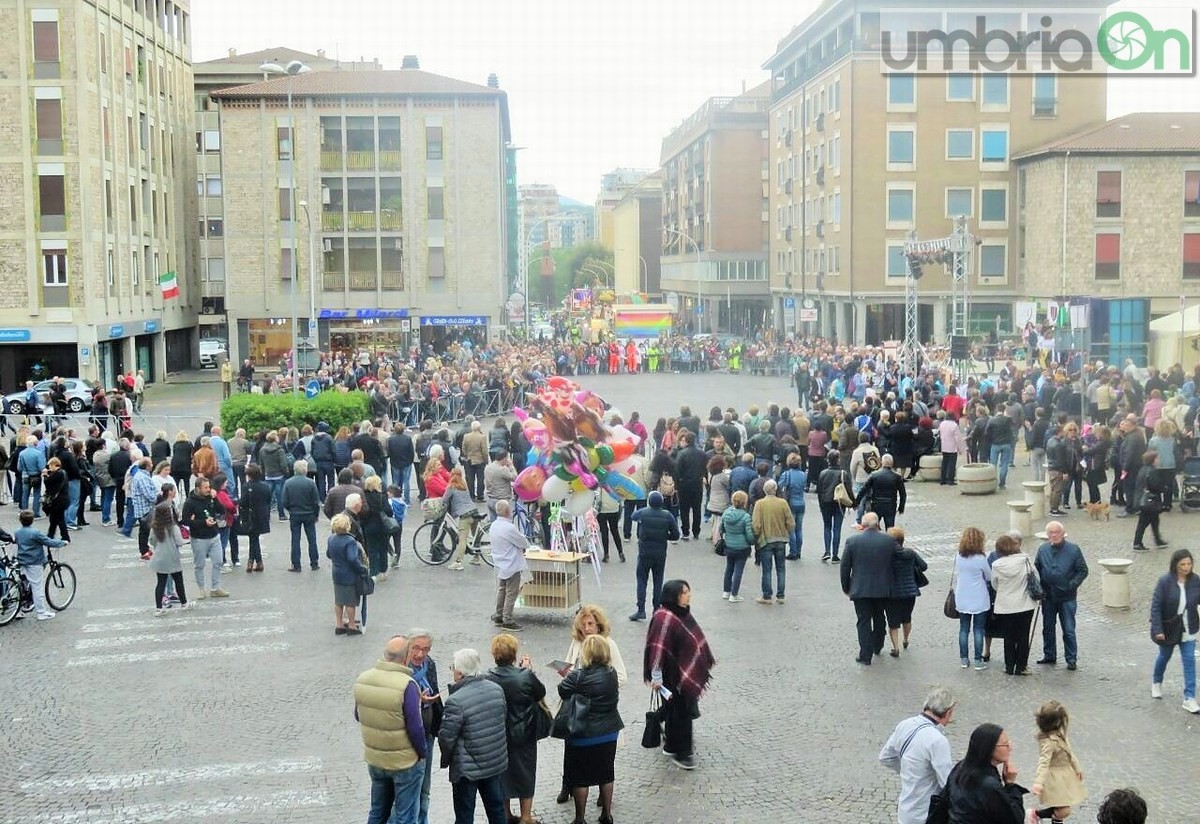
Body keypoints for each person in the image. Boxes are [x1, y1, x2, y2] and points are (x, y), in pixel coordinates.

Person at [353, 635, 428, 824]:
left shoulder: (364, 678)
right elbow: (415, 727)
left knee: (377, 812)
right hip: (403, 763)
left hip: (376, 760)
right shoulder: (407, 684)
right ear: (405, 658)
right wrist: (422, 753)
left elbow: (358, 715)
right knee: (405, 816)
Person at [643, 580, 714, 771]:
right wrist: (656, 678)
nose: (688, 595)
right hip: (671, 676)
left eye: (688, 591)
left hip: (683, 676)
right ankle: (683, 753)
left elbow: (695, 641)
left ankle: (672, 744)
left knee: (676, 711)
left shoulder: (683, 613)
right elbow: (657, 650)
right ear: (674, 595)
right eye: (684, 592)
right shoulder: (663, 617)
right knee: (681, 713)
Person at [438, 648, 509, 824]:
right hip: (494, 763)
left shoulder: (456, 700)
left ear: (460, 671)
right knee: (496, 810)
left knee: (464, 814)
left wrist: (446, 760)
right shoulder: (496, 690)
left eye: (452, 667)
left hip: (467, 770)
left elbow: (447, 738)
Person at [558, 634, 623, 824]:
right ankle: (606, 814)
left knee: (580, 777)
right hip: (609, 731)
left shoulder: (579, 676)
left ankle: (580, 818)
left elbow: (562, 690)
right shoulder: (611, 673)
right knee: (606, 772)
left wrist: (570, 675)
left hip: (583, 734)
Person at [486, 633, 547, 824]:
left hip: (499, 735)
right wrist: (528, 670)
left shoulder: (488, 677)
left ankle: (506, 813)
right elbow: (540, 692)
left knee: (503, 774)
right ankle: (526, 816)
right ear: (514, 654)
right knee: (526, 773)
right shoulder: (525, 676)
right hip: (523, 733)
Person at [878, 687, 956, 824]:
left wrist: (909, 769)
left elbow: (885, 757)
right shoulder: (937, 740)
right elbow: (947, 782)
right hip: (926, 813)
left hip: (905, 811)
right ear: (948, 713)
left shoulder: (905, 724)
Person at [840, 512, 896, 664]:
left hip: (860, 588)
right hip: (883, 587)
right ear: (878, 524)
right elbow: (896, 563)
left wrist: (846, 587)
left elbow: (845, 567)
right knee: (879, 617)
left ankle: (866, 655)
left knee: (863, 621)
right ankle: (877, 646)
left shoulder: (852, 541)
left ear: (862, 526)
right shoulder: (889, 541)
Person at [942, 723, 1027, 823]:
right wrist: (1010, 784)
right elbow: (1015, 819)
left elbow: (944, 801)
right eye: (1005, 744)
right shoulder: (988, 785)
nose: (1010, 748)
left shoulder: (960, 768)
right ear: (989, 748)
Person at [1149, 548, 1200, 712]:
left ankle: (1190, 697)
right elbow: (1156, 607)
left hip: (1188, 627)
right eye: (1183, 564)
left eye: (1189, 563)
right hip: (1169, 627)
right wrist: (1158, 629)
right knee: (1164, 656)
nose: (1186, 567)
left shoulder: (1195, 580)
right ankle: (1157, 681)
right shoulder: (1165, 581)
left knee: (1189, 661)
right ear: (1175, 565)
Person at [1035, 521, 1089, 671]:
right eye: (1051, 532)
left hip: (1067, 597)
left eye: (1057, 532)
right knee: (1048, 628)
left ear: (1063, 533)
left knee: (1069, 629)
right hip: (1048, 597)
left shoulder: (1074, 549)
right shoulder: (1042, 549)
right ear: (1047, 535)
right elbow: (1037, 569)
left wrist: (1071, 585)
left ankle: (1071, 659)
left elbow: (1083, 570)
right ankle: (1049, 655)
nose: (1054, 535)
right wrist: (1039, 589)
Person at [406, 629, 443, 824]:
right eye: (416, 648)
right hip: (406, 739)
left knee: (424, 787)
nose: (420, 654)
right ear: (408, 647)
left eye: (426, 649)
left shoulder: (430, 664)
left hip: (427, 733)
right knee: (406, 789)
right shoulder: (401, 668)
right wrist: (417, 702)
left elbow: (435, 691)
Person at [1030, 701, 1086, 824]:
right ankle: (1035, 814)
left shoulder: (1060, 735)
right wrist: (1039, 782)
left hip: (1065, 776)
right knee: (1064, 810)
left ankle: (1054, 820)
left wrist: (1077, 768)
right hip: (1055, 779)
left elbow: (1070, 752)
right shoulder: (1049, 742)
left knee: (1061, 807)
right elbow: (1043, 762)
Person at [990, 533, 1038, 677]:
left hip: (1005, 605)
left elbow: (994, 584)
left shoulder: (996, 565)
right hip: (1025, 604)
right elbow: (1035, 577)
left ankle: (1009, 665)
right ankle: (1022, 666)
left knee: (1008, 637)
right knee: (1023, 636)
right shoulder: (1025, 560)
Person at [628, 490, 680, 621]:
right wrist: (665, 536)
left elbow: (633, 516)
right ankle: (656, 609)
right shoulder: (667, 515)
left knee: (641, 580)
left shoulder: (643, 513)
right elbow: (676, 535)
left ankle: (641, 609)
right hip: (660, 553)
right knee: (658, 581)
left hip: (644, 552)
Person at [13, 508, 66, 620]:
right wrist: (62, 542)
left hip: (22, 561)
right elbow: (48, 541)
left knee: (22, 586)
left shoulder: (17, 532)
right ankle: (41, 612)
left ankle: (18, 610)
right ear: (32, 520)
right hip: (34, 562)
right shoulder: (35, 533)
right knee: (36, 586)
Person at [181, 476, 227, 599]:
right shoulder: (190, 502)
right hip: (199, 537)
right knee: (199, 565)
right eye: (205, 488)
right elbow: (185, 521)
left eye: (209, 487)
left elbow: (222, 510)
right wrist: (202, 522)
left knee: (218, 561)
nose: (208, 490)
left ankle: (215, 588)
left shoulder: (210, 498)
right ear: (198, 488)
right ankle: (201, 589)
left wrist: (215, 498)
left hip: (214, 534)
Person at [885, 526, 927, 657]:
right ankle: (906, 639)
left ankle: (896, 647)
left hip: (892, 592)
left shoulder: (887, 556)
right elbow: (924, 566)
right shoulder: (910, 553)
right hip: (910, 592)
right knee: (907, 617)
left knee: (893, 621)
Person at [955, 526, 993, 670]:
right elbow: (989, 577)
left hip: (962, 595)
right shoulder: (981, 558)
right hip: (978, 596)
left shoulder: (958, 556)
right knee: (979, 629)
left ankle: (964, 659)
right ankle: (978, 660)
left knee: (964, 629)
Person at [751, 478, 793, 605]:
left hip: (766, 540)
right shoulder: (783, 503)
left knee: (767, 569)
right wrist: (786, 532)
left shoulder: (759, 504)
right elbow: (791, 522)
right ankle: (781, 595)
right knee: (781, 568)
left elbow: (756, 525)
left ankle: (767, 596)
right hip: (781, 539)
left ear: (764, 490)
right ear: (775, 489)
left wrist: (756, 536)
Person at [489, 499, 530, 631]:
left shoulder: (494, 525)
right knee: (512, 592)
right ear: (507, 512)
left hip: (500, 562)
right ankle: (508, 619)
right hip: (511, 563)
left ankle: (499, 613)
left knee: (502, 589)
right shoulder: (509, 528)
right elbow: (523, 542)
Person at [327, 512, 368, 635]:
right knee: (351, 601)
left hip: (336, 573)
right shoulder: (350, 541)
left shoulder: (331, 538)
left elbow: (328, 554)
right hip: (349, 574)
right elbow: (352, 559)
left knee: (339, 600)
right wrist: (362, 568)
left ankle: (339, 624)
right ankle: (351, 625)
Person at [148, 500, 190, 614]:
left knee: (161, 583)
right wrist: (188, 540)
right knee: (178, 581)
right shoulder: (173, 528)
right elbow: (179, 542)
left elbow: (152, 541)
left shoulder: (155, 527)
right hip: (172, 556)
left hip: (159, 558)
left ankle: (159, 607)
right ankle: (184, 603)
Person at [282, 459, 321, 571]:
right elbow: (315, 501)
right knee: (312, 539)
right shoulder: (311, 483)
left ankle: (296, 564)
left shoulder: (288, 483)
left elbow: (284, 501)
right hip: (309, 514)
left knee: (295, 539)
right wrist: (316, 514)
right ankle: (314, 562)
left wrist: (290, 509)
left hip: (295, 514)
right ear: (305, 469)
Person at [441, 466, 482, 572]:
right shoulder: (464, 485)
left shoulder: (451, 486)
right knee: (475, 536)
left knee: (462, 539)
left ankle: (458, 562)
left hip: (465, 515)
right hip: (474, 511)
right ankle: (476, 557)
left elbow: (444, 500)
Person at [816, 449, 852, 563]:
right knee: (837, 528)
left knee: (827, 527)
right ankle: (835, 555)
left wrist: (820, 505)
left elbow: (819, 491)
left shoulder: (823, 473)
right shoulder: (843, 473)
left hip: (825, 502)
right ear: (838, 460)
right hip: (839, 503)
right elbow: (849, 490)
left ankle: (827, 551)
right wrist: (853, 503)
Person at [719, 490, 755, 602]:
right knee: (738, 570)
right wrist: (752, 542)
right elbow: (749, 535)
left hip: (729, 545)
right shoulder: (746, 516)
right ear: (744, 502)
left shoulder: (726, 513)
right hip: (742, 548)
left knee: (729, 568)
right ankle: (734, 595)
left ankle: (726, 591)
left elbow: (721, 529)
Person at [853, 454, 907, 529]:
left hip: (876, 505)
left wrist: (856, 502)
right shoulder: (897, 477)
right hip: (890, 505)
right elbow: (903, 494)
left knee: (873, 526)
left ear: (882, 462)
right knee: (890, 528)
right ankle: (889, 540)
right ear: (892, 463)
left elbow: (864, 489)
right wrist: (901, 507)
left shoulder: (874, 475)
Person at [1131, 450, 1169, 551]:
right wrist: (1164, 488)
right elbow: (1154, 485)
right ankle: (1137, 543)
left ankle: (1158, 540)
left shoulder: (1143, 469)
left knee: (1155, 521)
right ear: (1153, 460)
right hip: (1149, 501)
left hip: (1144, 500)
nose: (1159, 460)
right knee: (1143, 523)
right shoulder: (1152, 471)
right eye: (1157, 458)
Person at [237, 463, 272, 573]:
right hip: (262, 515)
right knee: (254, 538)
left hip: (250, 515)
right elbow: (268, 500)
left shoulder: (246, 487)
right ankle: (258, 561)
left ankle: (251, 561)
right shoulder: (265, 486)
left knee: (253, 538)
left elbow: (243, 502)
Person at [777, 453, 808, 559]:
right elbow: (805, 486)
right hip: (801, 503)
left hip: (791, 503)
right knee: (799, 529)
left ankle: (793, 552)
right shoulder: (803, 474)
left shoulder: (786, 474)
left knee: (791, 529)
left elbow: (779, 486)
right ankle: (799, 551)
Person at [42, 456, 69, 541]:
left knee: (58, 519)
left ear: (54, 465)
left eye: (50, 466)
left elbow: (48, 483)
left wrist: (45, 475)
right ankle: (51, 535)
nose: (49, 468)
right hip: (62, 499)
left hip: (57, 500)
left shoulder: (57, 474)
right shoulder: (63, 472)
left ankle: (64, 537)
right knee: (54, 519)